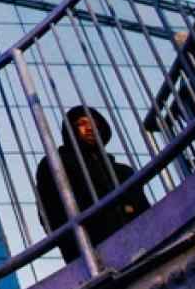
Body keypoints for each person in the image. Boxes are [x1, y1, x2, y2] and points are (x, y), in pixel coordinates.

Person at [33, 105, 148, 264]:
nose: (90, 128)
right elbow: (50, 214)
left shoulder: (123, 172)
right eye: (82, 124)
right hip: (91, 255)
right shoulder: (55, 163)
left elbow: (143, 209)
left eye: (95, 124)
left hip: (142, 245)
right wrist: (74, 251)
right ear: (70, 130)